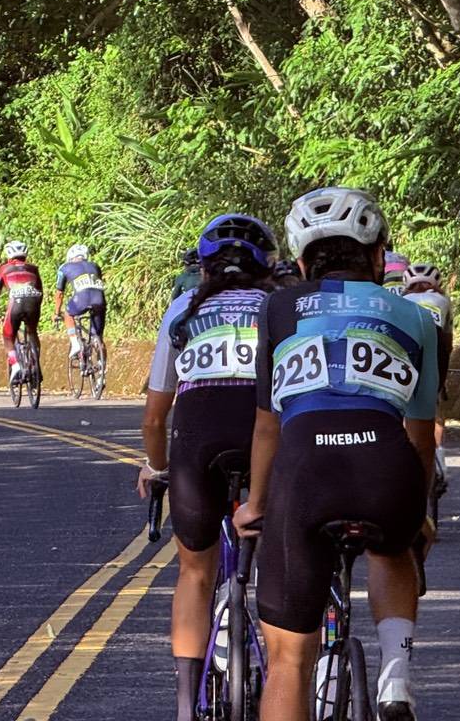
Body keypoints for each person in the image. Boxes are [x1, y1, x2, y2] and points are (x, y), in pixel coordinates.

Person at [234, 187, 439, 721]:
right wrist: (417, 513)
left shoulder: (279, 307)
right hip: (387, 471)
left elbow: (266, 426)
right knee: (394, 548)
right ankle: (396, 676)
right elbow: (421, 438)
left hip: (306, 472)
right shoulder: (415, 316)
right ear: (378, 256)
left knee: (287, 660)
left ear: (301, 261)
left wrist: (257, 503)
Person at [139, 214, 276, 721]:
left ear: (203, 267)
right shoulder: (279, 307)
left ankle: (183, 705)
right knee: (285, 555)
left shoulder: (183, 309)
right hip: (266, 438)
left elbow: (155, 416)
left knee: (194, 571)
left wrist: (156, 469)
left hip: (197, 442)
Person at [402, 262, 453, 484]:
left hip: (407, 351)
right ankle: (439, 459)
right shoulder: (443, 301)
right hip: (437, 347)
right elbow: (448, 342)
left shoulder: (401, 302)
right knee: (434, 402)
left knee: (405, 402)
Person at [0, 241, 44, 384]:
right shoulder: (33, 268)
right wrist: (37, 307)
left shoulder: (4, 269)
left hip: (16, 304)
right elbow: (40, 291)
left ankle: (15, 365)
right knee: (32, 332)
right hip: (33, 303)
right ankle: (35, 366)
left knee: (8, 336)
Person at [56, 243, 107, 365]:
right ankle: (101, 370)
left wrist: (57, 312)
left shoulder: (64, 268)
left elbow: (59, 293)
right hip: (100, 301)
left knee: (68, 313)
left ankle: (75, 344)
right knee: (98, 337)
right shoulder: (95, 266)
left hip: (81, 299)